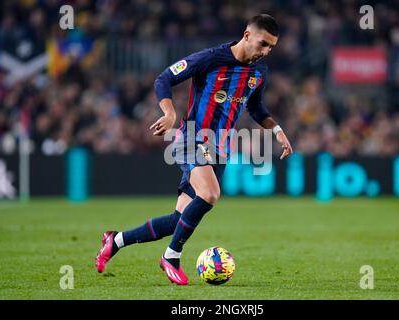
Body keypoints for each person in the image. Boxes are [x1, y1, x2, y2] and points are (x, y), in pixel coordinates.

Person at [95, 14, 293, 285]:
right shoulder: (212, 58)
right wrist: (169, 113)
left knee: (178, 220)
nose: (266, 52)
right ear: (247, 35)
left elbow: (256, 107)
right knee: (210, 194)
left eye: (271, 47)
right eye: (262, 44)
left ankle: (115, 241)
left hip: (220, 148)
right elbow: (164, 78)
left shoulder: (259, 72)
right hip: (193, 138)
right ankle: (171, 257)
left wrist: (278, 131)